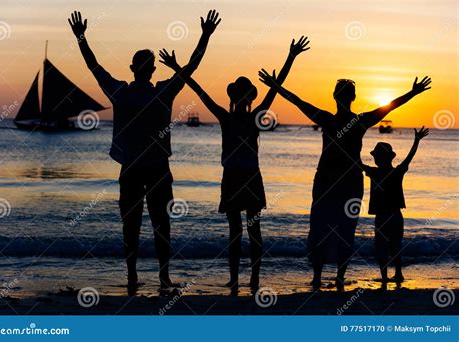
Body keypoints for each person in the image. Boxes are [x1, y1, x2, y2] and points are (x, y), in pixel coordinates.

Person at [68, 10, 221, 293]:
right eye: (148, 64)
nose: (148, 68)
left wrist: (81, 37)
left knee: (135, 224)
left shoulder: (125, 92)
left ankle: (135, 276)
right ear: (149, 69)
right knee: (157, 224)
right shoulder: (154, 92)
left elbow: (94, 66)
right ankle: (156, 277)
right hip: (152, 169)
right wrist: (205, 35)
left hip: (139, 169)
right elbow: (191, 67)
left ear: (136, 68)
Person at [159, 37, 310, 290]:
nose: (241, 99)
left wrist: (291, 57)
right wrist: (177, 69)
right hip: (234, 177)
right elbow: (200, 92)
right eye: (239, 95)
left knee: (252, 230)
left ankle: (253, 278)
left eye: (244, 96)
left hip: (248, 177)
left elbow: (275, 89)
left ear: (247, 98)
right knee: (237, 232)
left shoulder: (251, 118)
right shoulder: (227, 117)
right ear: (236, 97)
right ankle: (236, 278)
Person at [259, 70, 431, 290]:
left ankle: (321, 277)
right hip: (340, 183)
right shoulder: (355, 121)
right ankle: (335, 276)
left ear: (335, 97)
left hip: (334, 182)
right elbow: (390, 105)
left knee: (324, 227)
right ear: (352, 98)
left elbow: (297, 101)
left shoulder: (329, 119)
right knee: (340, 228)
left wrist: (276, 86)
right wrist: (413, 92)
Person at [361, 127, 429, 283]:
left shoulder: (375, 172)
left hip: (383, 216)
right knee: (395, 246)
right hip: (396, 216)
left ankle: (385, 277)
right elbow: (409, 158)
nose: (376, 159)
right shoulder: (396, 172)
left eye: (377, 157)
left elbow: (356, 162)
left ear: (380, 158)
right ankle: (398, 274)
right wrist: (416, 141)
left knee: (382, 248)